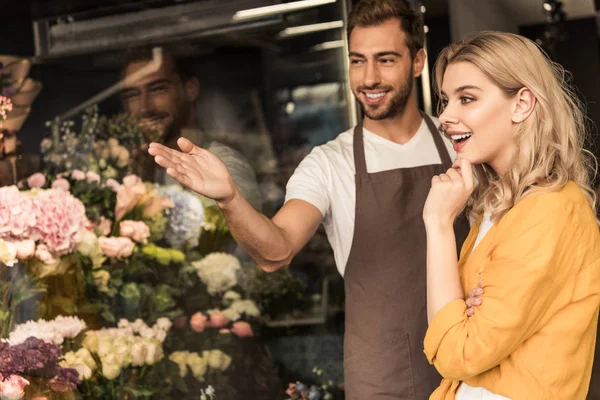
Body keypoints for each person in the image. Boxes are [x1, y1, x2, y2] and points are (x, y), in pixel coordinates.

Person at [148, 0, 470, 398]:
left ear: (418, 61)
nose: (369, 78)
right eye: (357, 61)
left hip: (473, 364)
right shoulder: (329, 163)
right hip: (385, 380)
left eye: (385, 60)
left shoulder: (459, 142)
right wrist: (230, 199)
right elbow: (276, 250)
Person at [422, 31, 600, 399]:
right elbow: (457, 322)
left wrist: (438, 226)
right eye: (445, 100)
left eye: (466, 98)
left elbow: (460, 351)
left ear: (522, 104)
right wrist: (463, 310)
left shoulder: (551, 209)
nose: (445, 117)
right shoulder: (497, 206)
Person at [119, 45, 263, 211]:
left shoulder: (223, 167)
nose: (144, 108)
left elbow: (222, 233)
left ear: (191, 89)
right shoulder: (142, 168)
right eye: (133, 95)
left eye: (158, 89)